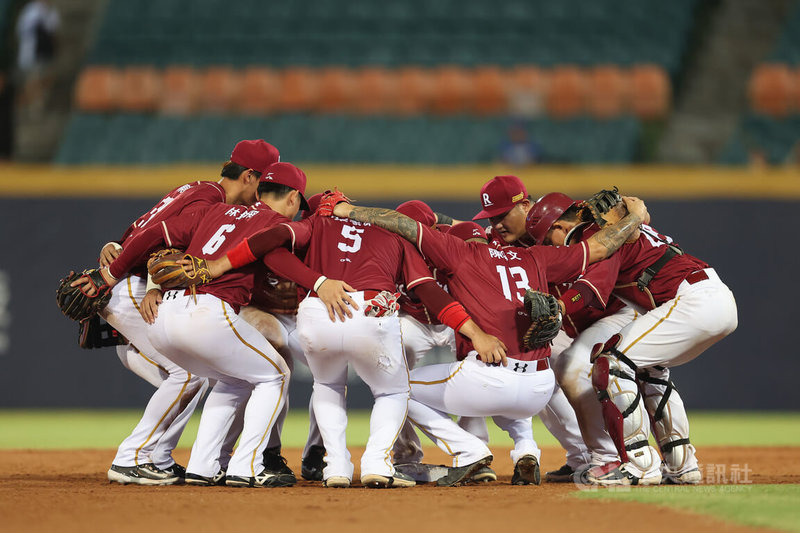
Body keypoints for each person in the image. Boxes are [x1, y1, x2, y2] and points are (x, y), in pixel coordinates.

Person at [320, 191, 648, 485]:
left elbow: (404, 225)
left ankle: (469, 450)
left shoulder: (459, 255)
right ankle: (556, 451)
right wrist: (634, 217)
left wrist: (348, 210)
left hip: (491, 379)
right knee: (533, 376)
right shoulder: (536, 256)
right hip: (538, 389)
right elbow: (601, 246)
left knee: (395, 389)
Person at [194, 187, 509, 488]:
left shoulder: (316, 223)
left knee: (327, 385)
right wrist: (472, 330)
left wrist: (311, 280)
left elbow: (273, 243)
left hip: (317, 309)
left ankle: (336, 467)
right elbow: (427, 289)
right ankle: (376, 463)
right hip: (370, 309)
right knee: (393, 393)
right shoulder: (394, 233)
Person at [80, 162, 356, 488]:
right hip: (206, 313)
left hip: (164, 314)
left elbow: (156, 234)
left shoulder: (215, 211)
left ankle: (203, 464)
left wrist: (115, 276)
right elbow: (273, 250)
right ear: (294, 199)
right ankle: (247, 465)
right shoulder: (278, 222)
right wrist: (320, 278)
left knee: (233, 379)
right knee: (275, 375)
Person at [96, 139, 280, 485]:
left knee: (192, 376)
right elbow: (156, 236)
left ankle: (159, 458)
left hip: (133, 286)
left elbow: (137, 232)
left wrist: (113, 248)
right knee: (189, 375)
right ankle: (132, 457)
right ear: (250, 176)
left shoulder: (196, 188)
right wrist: (151, 284)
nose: (264, 193)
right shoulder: (210, 198)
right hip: (135, 287)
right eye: (264, 183)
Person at [527, 192, 738, 486]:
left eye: (548, 238)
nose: (550, 246)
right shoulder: (618, 226)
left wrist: (560, 308)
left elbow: (590, 289)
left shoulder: (601, 235)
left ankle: (640, 465)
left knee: (612, 361)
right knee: (648, 370)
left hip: (693, 300)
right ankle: (681, 464)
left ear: (560, 227)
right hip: (710, 295)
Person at [472, 175, 595, 481]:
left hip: (587, 319)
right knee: (541, 379)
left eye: (503, 215)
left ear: (526, 205)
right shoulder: (497, 240)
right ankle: (583, 456)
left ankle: (608, 455)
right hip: (548, 329)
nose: (497, 224)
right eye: (492, 217)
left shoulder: (560, 224)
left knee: (582, 378)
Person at [15, 0, 60, 114]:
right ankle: (34, 106)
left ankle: (40, 103)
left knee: (46, 78)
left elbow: (54, 31)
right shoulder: (31, 11)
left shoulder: (51, 12)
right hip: (32, 52)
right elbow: (21, 31)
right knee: (33, 79)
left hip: (46, 52)